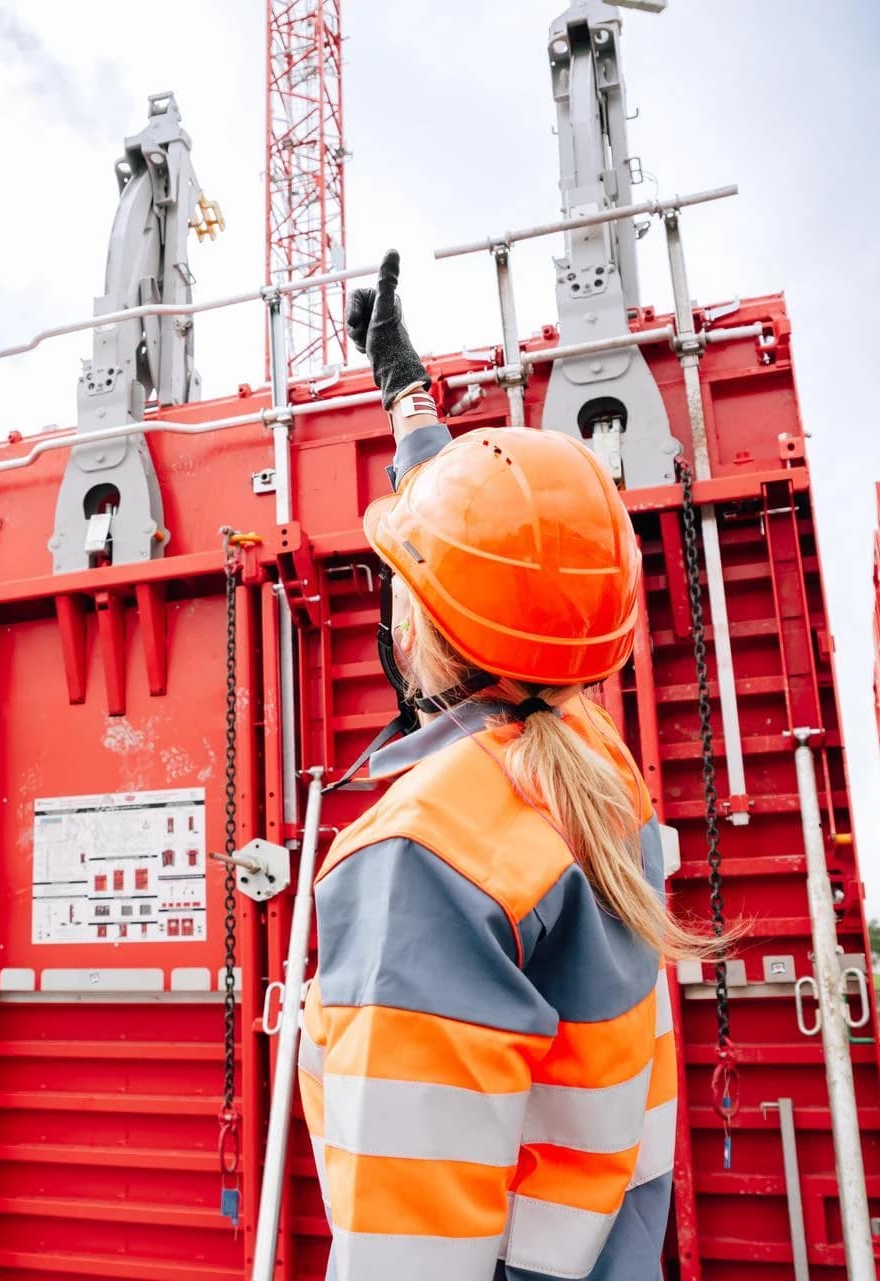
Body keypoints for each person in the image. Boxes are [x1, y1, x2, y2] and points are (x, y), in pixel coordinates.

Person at [299, 252, 719, 1280]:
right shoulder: (595, 770)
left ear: (422, 624)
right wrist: (408, 402)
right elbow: (502, 565)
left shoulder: (418, 859)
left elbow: (406, 1249)